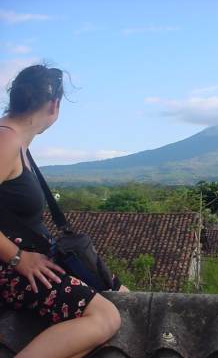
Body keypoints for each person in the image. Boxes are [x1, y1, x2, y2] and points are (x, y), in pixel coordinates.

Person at [0, 64, 121, 358]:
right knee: (106, 317)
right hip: (9, 267)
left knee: (111, 298)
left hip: (25, 261)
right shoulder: (6, 141)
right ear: (54, 106)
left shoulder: (16, 142)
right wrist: (18, 258)